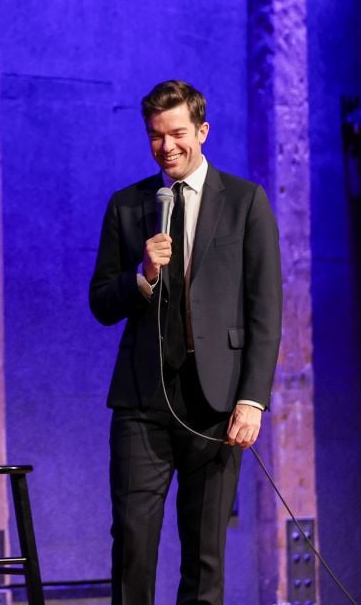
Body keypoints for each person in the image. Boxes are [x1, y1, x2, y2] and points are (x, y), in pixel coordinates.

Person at [88, 80, 282, 604]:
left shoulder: (245, 202)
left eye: (177, 133)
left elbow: (266, 311)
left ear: (202, 131)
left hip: (216, 405)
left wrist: (251, 400)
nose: (167, 146)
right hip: (142, 402)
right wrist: (143, 274)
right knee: (132, 542)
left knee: (205, 553)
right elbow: (102, 302)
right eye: (155, 136)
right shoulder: (127, 206)